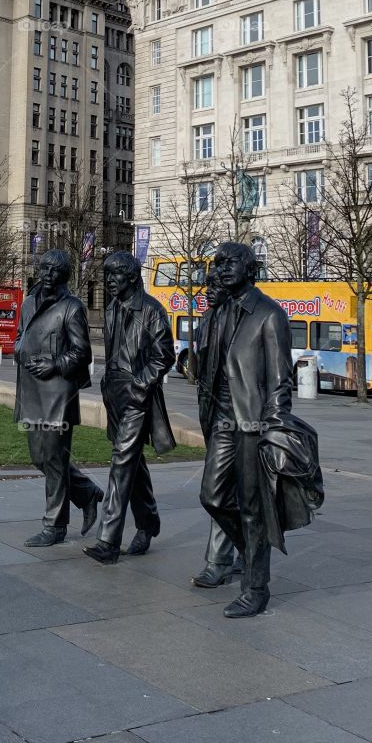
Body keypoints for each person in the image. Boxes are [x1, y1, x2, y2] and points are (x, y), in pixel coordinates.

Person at [199, 241, 294, 617]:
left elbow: (280, 381)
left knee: (253, 508)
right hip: (221, 418)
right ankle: (251, 552)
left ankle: (257, 586)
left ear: (250, 268)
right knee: (213, 496)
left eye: (229, 263)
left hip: (253, 422)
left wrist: (274, 431)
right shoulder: (219, 311)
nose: (221, 269)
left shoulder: (269, 315)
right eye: (217, 263)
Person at [84, 251, 176, 565]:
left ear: (132, 277)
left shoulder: (152, 311)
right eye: (107, 275)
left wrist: (140, 385)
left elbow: (164, 356)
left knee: (121, 462)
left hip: (138, 397)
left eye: (116, 275)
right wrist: (107, 386)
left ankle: (108, 542)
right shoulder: (111, 308)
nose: (109, 281)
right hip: (115, 396)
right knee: (133, 464)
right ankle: (149, 522)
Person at [13, 250, 103, 546]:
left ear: (64, 275)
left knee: (53, 458)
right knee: (40, 458)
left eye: (54, 270)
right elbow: (19, 338)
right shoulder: (28, 303)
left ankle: (55, 525)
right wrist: (19, 350)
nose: (47, 275)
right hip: (31, 390)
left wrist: (54, 363)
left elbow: (82, 352)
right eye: (44, 268)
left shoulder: (72, 307)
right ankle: (87, 493)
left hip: (57, 393)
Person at [191, 267, 243, 589]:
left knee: (217, 491)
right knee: (225, 490)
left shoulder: (246, 318)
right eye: (205, 285)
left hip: (240, 414)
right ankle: (246, 546)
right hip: (213, 412)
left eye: (213, 285)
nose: (206, 291)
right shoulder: (207, 320)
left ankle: (219, 560)